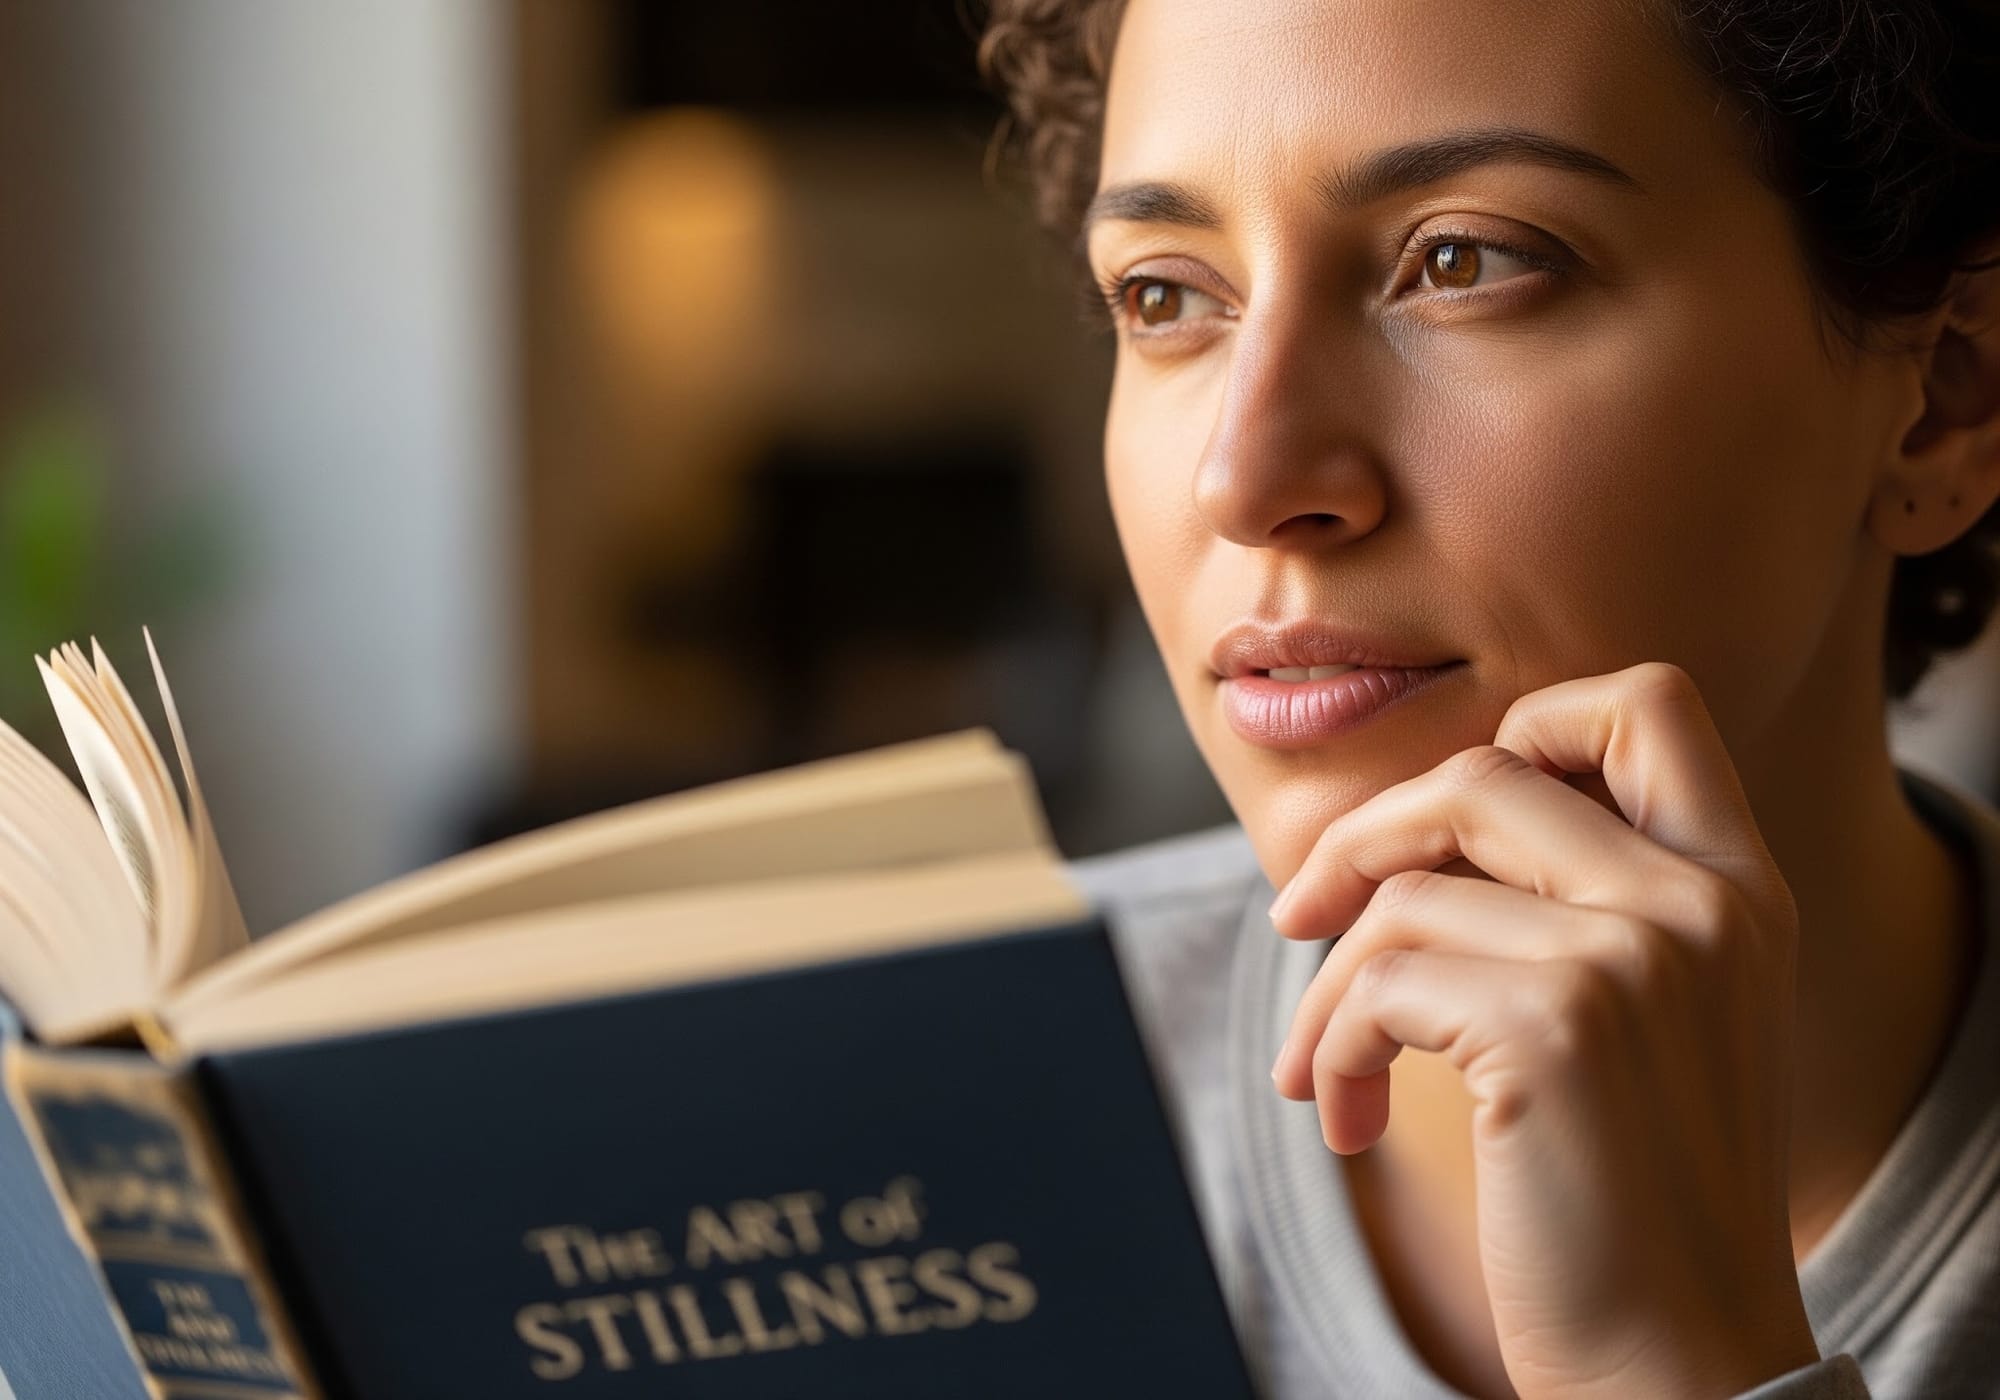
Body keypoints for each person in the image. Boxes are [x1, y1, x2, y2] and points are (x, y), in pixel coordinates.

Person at [976, 1, 2000, 1397]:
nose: (1247, 477)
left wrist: (1676, 1368)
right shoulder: (910, 1115)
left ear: (1946, 398)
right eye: (1165, 294)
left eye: (1461, 262)